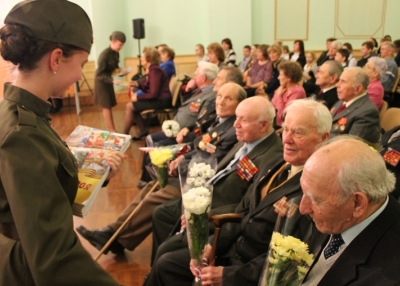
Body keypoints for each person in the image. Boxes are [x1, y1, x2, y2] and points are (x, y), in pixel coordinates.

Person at [0, 0, 125, 285]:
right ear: (56, 59)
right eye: (81, 63)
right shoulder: (23, 134)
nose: (81, 74)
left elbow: (42, 186)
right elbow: (54, 258)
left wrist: (97, 172)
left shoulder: (22, 112)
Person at [154, 99, 332, 286]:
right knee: (167, 264)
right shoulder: (277, 163)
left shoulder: (318, 188)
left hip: (254, 273)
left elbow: (292, 257)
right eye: (286, 129)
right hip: (233, 251)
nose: (286, 139)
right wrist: (211, 246)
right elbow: (244, 212)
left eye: (298, 132)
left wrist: (228, 276)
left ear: (323, 137)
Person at [76, 83, 246, 256]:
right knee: (150, 189)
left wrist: (182, 163)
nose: (221, 101)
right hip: (189, 172)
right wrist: (181, 158)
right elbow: (199, 146)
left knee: (156, 197)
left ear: (240, 104)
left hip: (200, 182)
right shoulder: (218, 120)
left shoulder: (233, 129)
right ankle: (115, 235)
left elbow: (212, 161)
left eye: (228, 98)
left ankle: (113, 235)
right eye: (219, 96)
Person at [149, 97, 283, 271]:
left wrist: (202, 214)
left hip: (218, 217)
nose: (235, 124)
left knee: (165, 255)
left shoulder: (271, 157)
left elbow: (246, 206)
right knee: (160, 215)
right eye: (237, 118)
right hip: (205, 198)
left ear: (264, 125)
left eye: (243, 120)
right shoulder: (247, 139)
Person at [300, 136, 400, 286]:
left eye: (315, 199)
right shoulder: (337, 210)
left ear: (358, 204)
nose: (303, 208)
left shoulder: (388, 275)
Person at [123, 47, 171, 140]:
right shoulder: (153, 69)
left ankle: (124, 135)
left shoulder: (155, 70)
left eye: (143, 57)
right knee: (132, 106)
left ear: (149, 59)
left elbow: (153, 93)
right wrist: (137, 84)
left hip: (161, 101)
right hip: (160, 99)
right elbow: (148, 86)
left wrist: (138, 98)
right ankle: (142, 130)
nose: (141, 58)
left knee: (130, 106)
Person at [330, 67, 380, 146]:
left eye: (343, 81)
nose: (337, 85)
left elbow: (351, 145)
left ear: (357, 88)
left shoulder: (367, 112)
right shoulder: (342, 101)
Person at [94, 31, 127, 132]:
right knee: (106, 105)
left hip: (108, 80)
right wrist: (112, 80)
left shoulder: (116, 54)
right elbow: (100, 74)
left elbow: (114, 68)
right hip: (101, 82)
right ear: (113, 41)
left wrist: (122, 71)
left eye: (122, 45)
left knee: (109, 104)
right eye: (119, 45)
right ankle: (112, 130)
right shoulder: (104, 55)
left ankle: (112, 129)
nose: (121, 47)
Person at [271, 61, 306, 127]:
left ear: (289, 77)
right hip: (274, 122)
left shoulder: (298, 92)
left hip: (285, 126)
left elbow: (283, 114)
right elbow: (272, 105)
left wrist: (279, 96)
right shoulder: (282, 87)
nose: (278, 77)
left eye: (281, 75)